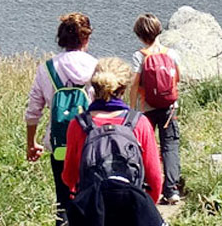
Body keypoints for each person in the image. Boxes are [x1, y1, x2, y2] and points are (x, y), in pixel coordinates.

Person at [62, 58, 165, 226]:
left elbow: (69, 177)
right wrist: (142, 207)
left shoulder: (78, 124)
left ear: (94, 86)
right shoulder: (139, 123)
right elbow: (155, 180)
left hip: (92, 214)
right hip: (131, 211)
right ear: (123, 89)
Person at [26, 13, 98, 225]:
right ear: (86, 37)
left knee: (63, 202)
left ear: (61, 39)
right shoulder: (97, 67)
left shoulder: (46, 69)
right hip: (90, 145)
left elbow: (33, 111)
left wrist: (31, 144)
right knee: (91, 199)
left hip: (59, 144)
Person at [128, 14, 183, 204]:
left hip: (146, 110)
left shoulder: (139, 56)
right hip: (169, 108)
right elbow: (178, 78)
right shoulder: (171, 54)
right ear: (159, 31)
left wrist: (132, 109)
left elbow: (134, 85)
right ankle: (172, 190)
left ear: (139, 35)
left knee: (145, 148)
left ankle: (147, 188)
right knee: (170, 147)